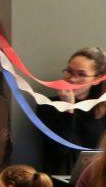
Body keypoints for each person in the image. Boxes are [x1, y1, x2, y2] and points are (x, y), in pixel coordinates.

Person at [38, 46, 106, 174]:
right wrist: (68, 108)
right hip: (61, 184)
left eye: (81, 74)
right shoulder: (47, 106)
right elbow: (60, 151)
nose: (72, 79)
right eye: (69, 71)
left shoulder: (101, 110)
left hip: (96, 180)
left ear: (97, 79)